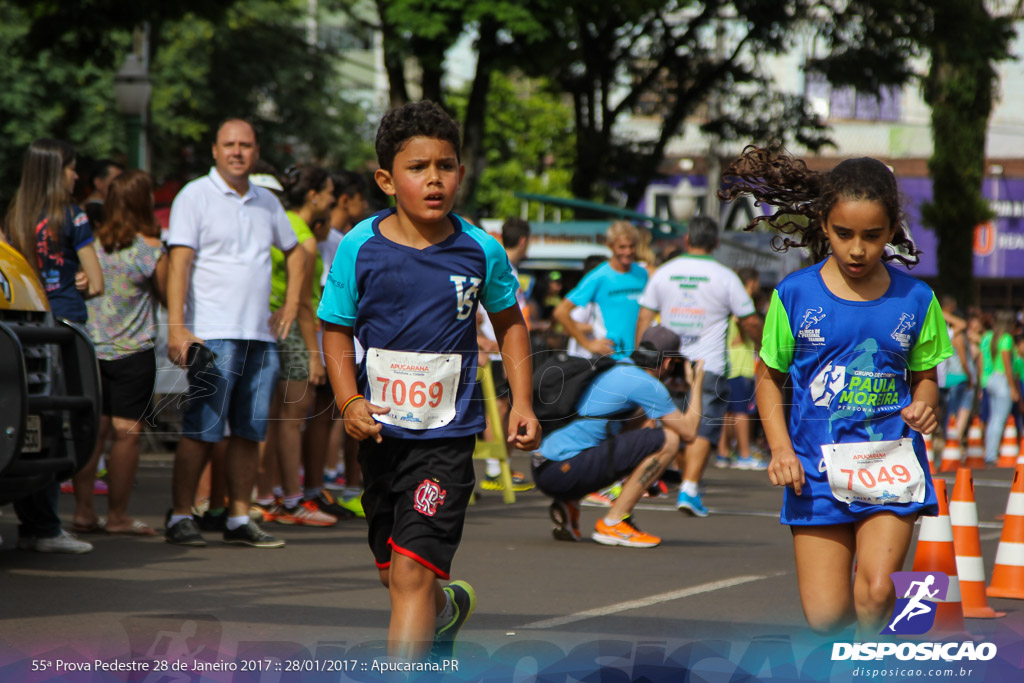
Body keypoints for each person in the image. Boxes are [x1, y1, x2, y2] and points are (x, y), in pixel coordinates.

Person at [318, 100, 540, 660]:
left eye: (445, 165)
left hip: (445, 439)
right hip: (381, 435)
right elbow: (335, 330)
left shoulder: (481, 249)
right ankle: (446, 612)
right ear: (387, 180)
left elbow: (511, 325)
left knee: (414, 572)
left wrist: (522, 403)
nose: (434, 178)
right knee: (395, 576)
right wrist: (348, 401)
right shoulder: (358, 247)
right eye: (418, 168)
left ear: (460, 174)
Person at [721, 145, 951, 637]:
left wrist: (925, 406)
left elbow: (926, 377)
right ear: (824, 224)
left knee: (876, 592)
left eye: (872, 236)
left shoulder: (917, 298)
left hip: (890, 462)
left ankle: (876, 663)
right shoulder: (795, 295)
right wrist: (780, 448)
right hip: (814, 470)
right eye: (844, 234)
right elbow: (767, 378)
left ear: (892, 231)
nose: (857, 249)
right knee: (826, 617)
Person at [164, 118, 307, 549]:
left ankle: (238, 518)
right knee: (202, 428)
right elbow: (179, 264)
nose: (237, 152)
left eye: (245, 145)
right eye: (229, 144)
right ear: (215, 150)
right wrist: (177, 328)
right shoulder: (194, 196)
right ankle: (181, 515)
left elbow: (297, 252)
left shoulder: (266, 201)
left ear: (256, 150)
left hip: (259, 337)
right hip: (212, 334)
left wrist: (291, 304)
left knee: (249, 432)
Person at [2, 138, 104, 553]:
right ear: (54, 171)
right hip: (61, 329)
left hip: (15, 331)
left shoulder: (14, 216)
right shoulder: (73, 215)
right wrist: (79, 278)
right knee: (52, 424)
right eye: (71, 168)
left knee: (18, 418)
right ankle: (42, 528)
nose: (76, 176)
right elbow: (96, 282)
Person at [533, 326, 705, 547]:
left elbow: (625, 431)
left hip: (545, 468)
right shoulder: (648, 385)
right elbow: (689, 432)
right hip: (563, 471)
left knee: (639, 431)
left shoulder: (618, 367)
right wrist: (697, 384)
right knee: (668, 439)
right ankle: (614, 521)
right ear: (669, 363)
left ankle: (568, 501)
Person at [636, 216, 762, 517]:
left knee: (669, 423)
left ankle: (650, 480)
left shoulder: (665, 272)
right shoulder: (726, 276)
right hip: (708, 364)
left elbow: (644, 316)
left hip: (668, 363)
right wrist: (765, 347)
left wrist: (643, 356)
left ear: (687, 240)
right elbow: (749, 320)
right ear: (716, 243)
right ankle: (689, 489)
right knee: (703, 429)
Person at [73, 169, 167, 536]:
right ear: (144, 202)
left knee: (92, 433)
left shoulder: (91, 246)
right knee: (126, 435)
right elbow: (165, 296)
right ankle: (117, 516)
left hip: (91, 351)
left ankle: (82, 512)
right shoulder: (149, 251)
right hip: (133, 352)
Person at [477, 217, 534, 492]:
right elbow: (475, 309)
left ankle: (501, 467)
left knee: (503, 406)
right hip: (497, 350)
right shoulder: (498, 262)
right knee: (497, 408)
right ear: (524, 240)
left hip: (503, 348)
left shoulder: (505, 264)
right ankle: (494, 469)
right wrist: (482, 340)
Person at [553, 221, 648, 359]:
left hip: (637, 358)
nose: (627, 252)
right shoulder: (599, 276)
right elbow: (561, 312)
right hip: (609, 358)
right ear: (609, 246)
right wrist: (588, 344)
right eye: (622, 247)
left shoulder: (642, 274)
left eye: (631, 246)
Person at [716, 266, 766, 471]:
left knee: (728, 412)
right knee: (741, 411)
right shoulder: (741, 305)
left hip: (728, 364)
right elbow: (747, 325)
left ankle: (724, 452)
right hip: (740, 365)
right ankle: (744, 454)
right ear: (752, 283)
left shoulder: (727, 303)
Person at [979, 310, 1018, 464]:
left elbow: (982, 361)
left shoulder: (989, 336)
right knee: (999, 419)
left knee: (993, 419)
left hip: (991, 378)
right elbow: (1007, 365)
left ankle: (990, 451)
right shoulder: (1007, 338)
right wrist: (1013, 387)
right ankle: (992, 454)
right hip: (1002, 379)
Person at [83, 159, 124, 228]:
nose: (121, 185)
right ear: (98, 182)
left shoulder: (86, 207)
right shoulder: (96, 211)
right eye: (116, 181)